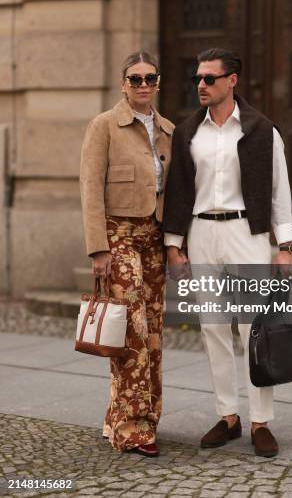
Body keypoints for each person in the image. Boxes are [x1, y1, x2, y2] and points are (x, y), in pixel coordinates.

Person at [163, 47, 292, 458]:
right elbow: (178, 191)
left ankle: (261, 421)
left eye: (209, 79)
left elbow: (280, 191)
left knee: (254, 329)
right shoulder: (188, 132)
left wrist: (285, 245)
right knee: (213, 328)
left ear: (232, 81)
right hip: (202, 233)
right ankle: (228, 417)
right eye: (197, 79)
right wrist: (174, 244)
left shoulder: (261, 130)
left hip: (247, 233)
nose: (201, 85)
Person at [80, 51, 174, 457]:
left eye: (148, 78)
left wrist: (174, 242)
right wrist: (98, 248)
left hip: (154, 236)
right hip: (118, 236)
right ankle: (133, 428)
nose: (141, 85)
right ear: (123, 84)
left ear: (157, 82)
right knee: (130, 326)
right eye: (133, 79)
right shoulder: (104, 125)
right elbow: (90, 188)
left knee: (151, 328)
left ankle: (130, 414)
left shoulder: (168, 130)